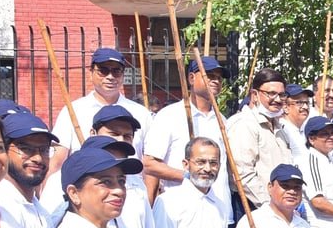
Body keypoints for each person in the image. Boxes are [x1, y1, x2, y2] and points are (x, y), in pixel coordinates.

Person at [143, 55, 232, 216]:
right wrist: (188, 176)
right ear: (191, 78)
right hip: (180, 210)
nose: (216, 81)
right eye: (209, 76)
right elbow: (149, 164)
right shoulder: (170, 116)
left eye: (219, 78)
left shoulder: (222, 120)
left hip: (219, 210)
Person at [49, 47, 153, 167]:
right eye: (103, 71)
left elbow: (149, 162)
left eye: (116, 71)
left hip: (131, 183)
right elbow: (57, 160)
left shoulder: (140, 113)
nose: (110, 77)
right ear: (91, 73)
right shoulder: (73, 111)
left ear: (123, 75)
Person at [227, 69, 294, 212]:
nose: (277, 99)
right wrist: (269, 205)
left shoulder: (279, 127)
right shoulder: (244, 124)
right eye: (271, 93)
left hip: (279, 208)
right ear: (254, 95)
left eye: (282, 95)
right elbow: (242, 173)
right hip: (252, 206)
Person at [0, 112, 54, 228]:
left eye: (44, 150)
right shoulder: (2, 207)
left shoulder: (37, 208)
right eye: (26, 149)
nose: (38, 158)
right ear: (3, 151)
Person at [280, 83, 314, 162]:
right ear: (285, 107)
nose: (305, 107)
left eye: (307, 103)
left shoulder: (303, 131)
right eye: (299, 103)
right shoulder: (282, 132)